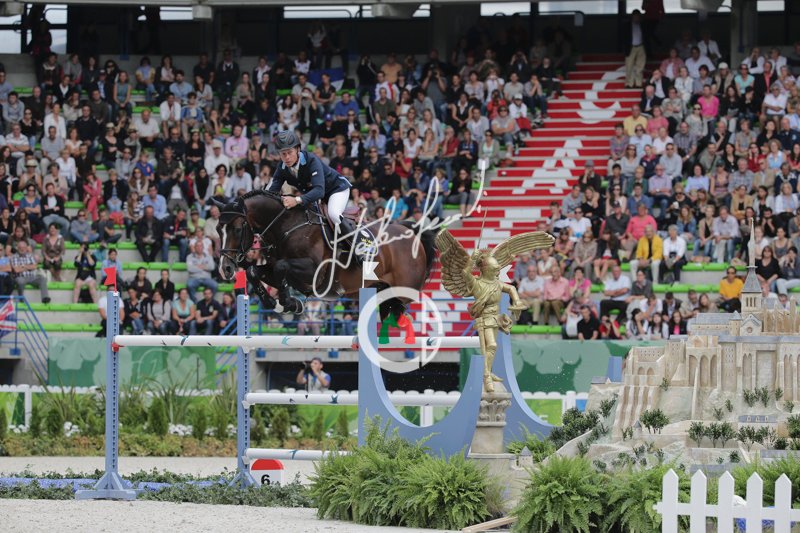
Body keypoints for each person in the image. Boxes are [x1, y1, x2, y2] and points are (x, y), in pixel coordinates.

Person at [266, 130, 365, 262]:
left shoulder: (311, 160)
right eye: (283, 154)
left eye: (290, 152)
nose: (287, 157)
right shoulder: (282, 167)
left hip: (336, 189)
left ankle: (359, 248)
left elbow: (319, 191)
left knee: (334, 213)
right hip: (315, 196)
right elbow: (272, 193)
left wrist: (296, 200)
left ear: (298, 149)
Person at [624, 10, 646, 89]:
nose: (637, 18)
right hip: (631, 47)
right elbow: (623, 37)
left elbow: (647, 35)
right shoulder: (627, 25)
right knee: (629, 66)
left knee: (640, 66)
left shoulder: (643, 25)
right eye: (635, 16)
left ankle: (638, 83)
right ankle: (629, 84)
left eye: (638, 16)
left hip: (641, 46)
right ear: (632, 17)